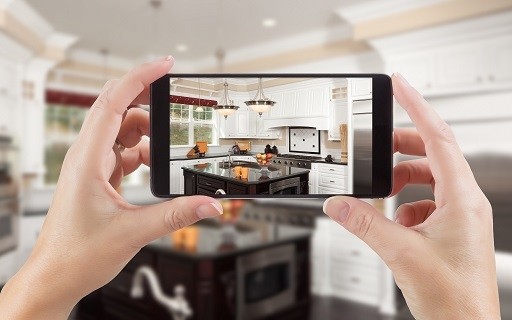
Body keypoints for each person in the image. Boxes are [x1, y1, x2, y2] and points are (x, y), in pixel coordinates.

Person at [0, 58, 500, 319]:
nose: (267, 152)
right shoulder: (230, 144)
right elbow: (248, 160)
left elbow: (286, 164)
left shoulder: (292, 153)